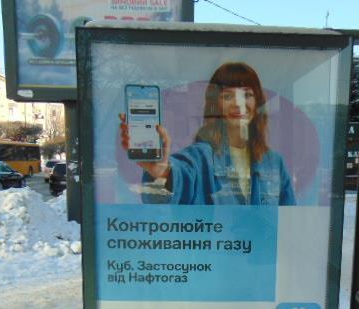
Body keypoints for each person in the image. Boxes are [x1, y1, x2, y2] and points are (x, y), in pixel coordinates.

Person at [119, 62, 295, 205]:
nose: (238, 104)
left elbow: (289, 223)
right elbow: (163, 196)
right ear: (215, 105)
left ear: (258, 102)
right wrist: (163, 174)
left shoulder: (275, 163)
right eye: (228, 96)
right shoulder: (199, 157)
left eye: (247, 94)